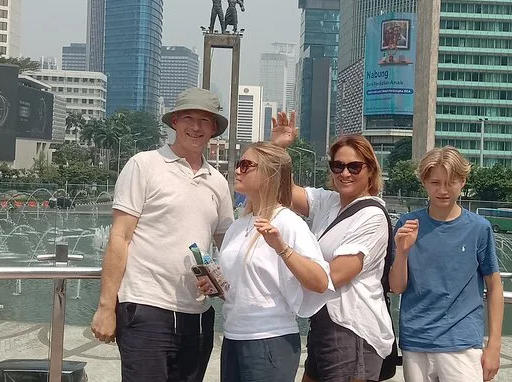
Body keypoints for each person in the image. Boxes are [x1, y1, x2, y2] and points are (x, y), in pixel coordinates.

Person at [90, 87, 235, 382]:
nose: (196, 127)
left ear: (213, 129)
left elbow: (228, 245)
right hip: (146, 308)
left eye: (204, 121)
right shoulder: (144, 165)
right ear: (175, 122)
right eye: (188, 118)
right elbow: (120, 237)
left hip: (197, 313)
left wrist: (220, 282)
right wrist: (106, 306)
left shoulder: (217, 181)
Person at [271, 112, 395, 382]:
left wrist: (285, 253)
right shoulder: (329, 202)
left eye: (354, 167)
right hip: (324, 323)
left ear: (370, 170)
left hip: (353, 328)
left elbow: (334, 276)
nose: (345, 173)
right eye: (337, 166)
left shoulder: (372, 216)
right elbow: (284, 192)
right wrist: (279, 149)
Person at [214, 141, 332, 382]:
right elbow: (243, 287)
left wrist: (281, 247)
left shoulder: (288, 222)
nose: (237, 170)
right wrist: (215, 285)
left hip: (270, 339)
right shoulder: (238, 226)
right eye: (238, 164)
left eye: (246, 165)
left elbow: (320, 281)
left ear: (269, 174)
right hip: (234, 336)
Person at [389, 146, 503, 382]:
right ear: (424, 182)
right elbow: (397, 287)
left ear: (463, 182)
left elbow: (494, 286)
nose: (442, 190)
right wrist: (402, 252)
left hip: (462, 342)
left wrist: (494, 345)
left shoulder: (479, 228)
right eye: (435, 182)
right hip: (416, 340)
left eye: (451, 182)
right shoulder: (407, 225)